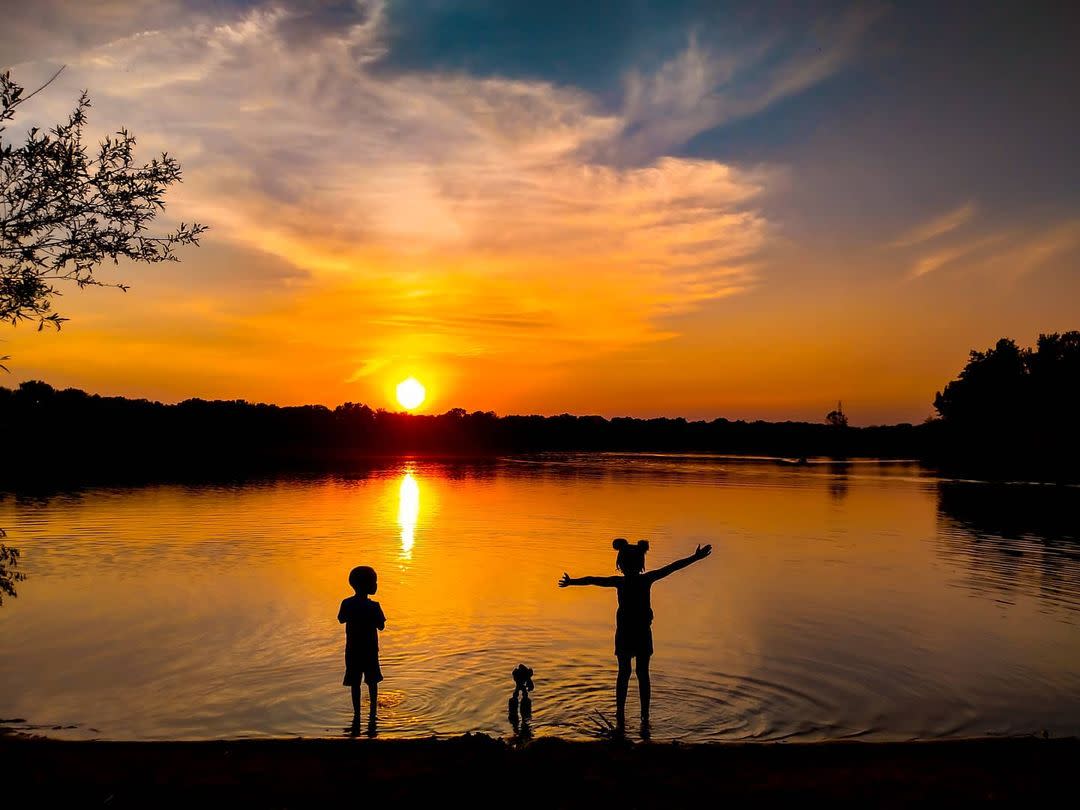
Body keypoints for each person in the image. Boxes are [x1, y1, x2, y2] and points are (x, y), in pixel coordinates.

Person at [559, 539, 712, 729]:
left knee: (625, 673)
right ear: (640, 563)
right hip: (639, 634)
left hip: (626, 634)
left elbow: (593, 580)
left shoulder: (620, 582)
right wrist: (695, 558)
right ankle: (643, 716)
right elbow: (672, 567)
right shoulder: (645, 580)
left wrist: (572, 582)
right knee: (642, 674)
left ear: (620, 564)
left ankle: (621, 714)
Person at [338, 565, 386, 731]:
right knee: (372, 682)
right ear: (367, 585)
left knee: (355, 683)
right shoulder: (374, 606)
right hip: (370, 650)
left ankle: (357, 716)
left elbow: (341, 619)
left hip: (352, 650)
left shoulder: (347, 603)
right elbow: (381, 626)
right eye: (374, 581)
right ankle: (373, 715)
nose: (376, 584)